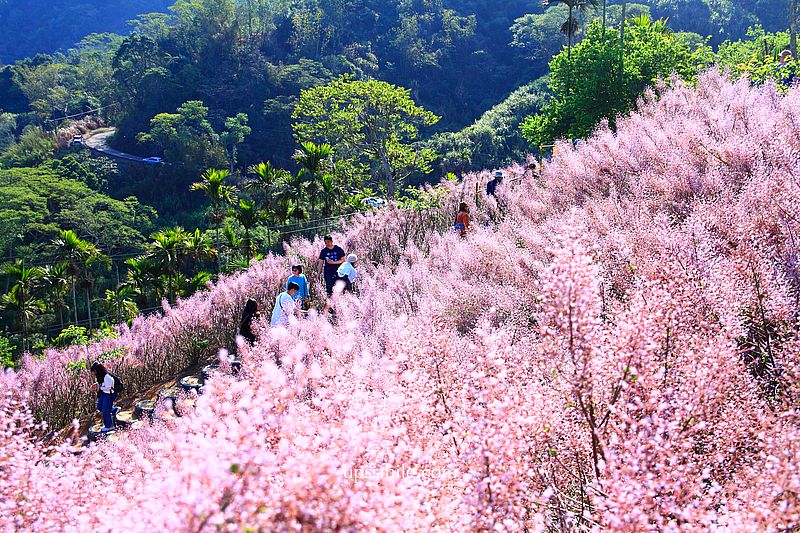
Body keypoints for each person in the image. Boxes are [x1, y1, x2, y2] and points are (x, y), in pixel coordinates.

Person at [91, 362, 117, 432]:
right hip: (104, 394)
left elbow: (108, 387)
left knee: (105, 411)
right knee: (99, 407)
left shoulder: (106, 376)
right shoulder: (101, 376)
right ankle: (114, 410)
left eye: (93, 372)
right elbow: (102, 383)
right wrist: (97, 384)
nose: (93, 373)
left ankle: (109, 426)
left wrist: (99, 387)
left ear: (97, 371)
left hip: (109, 395)